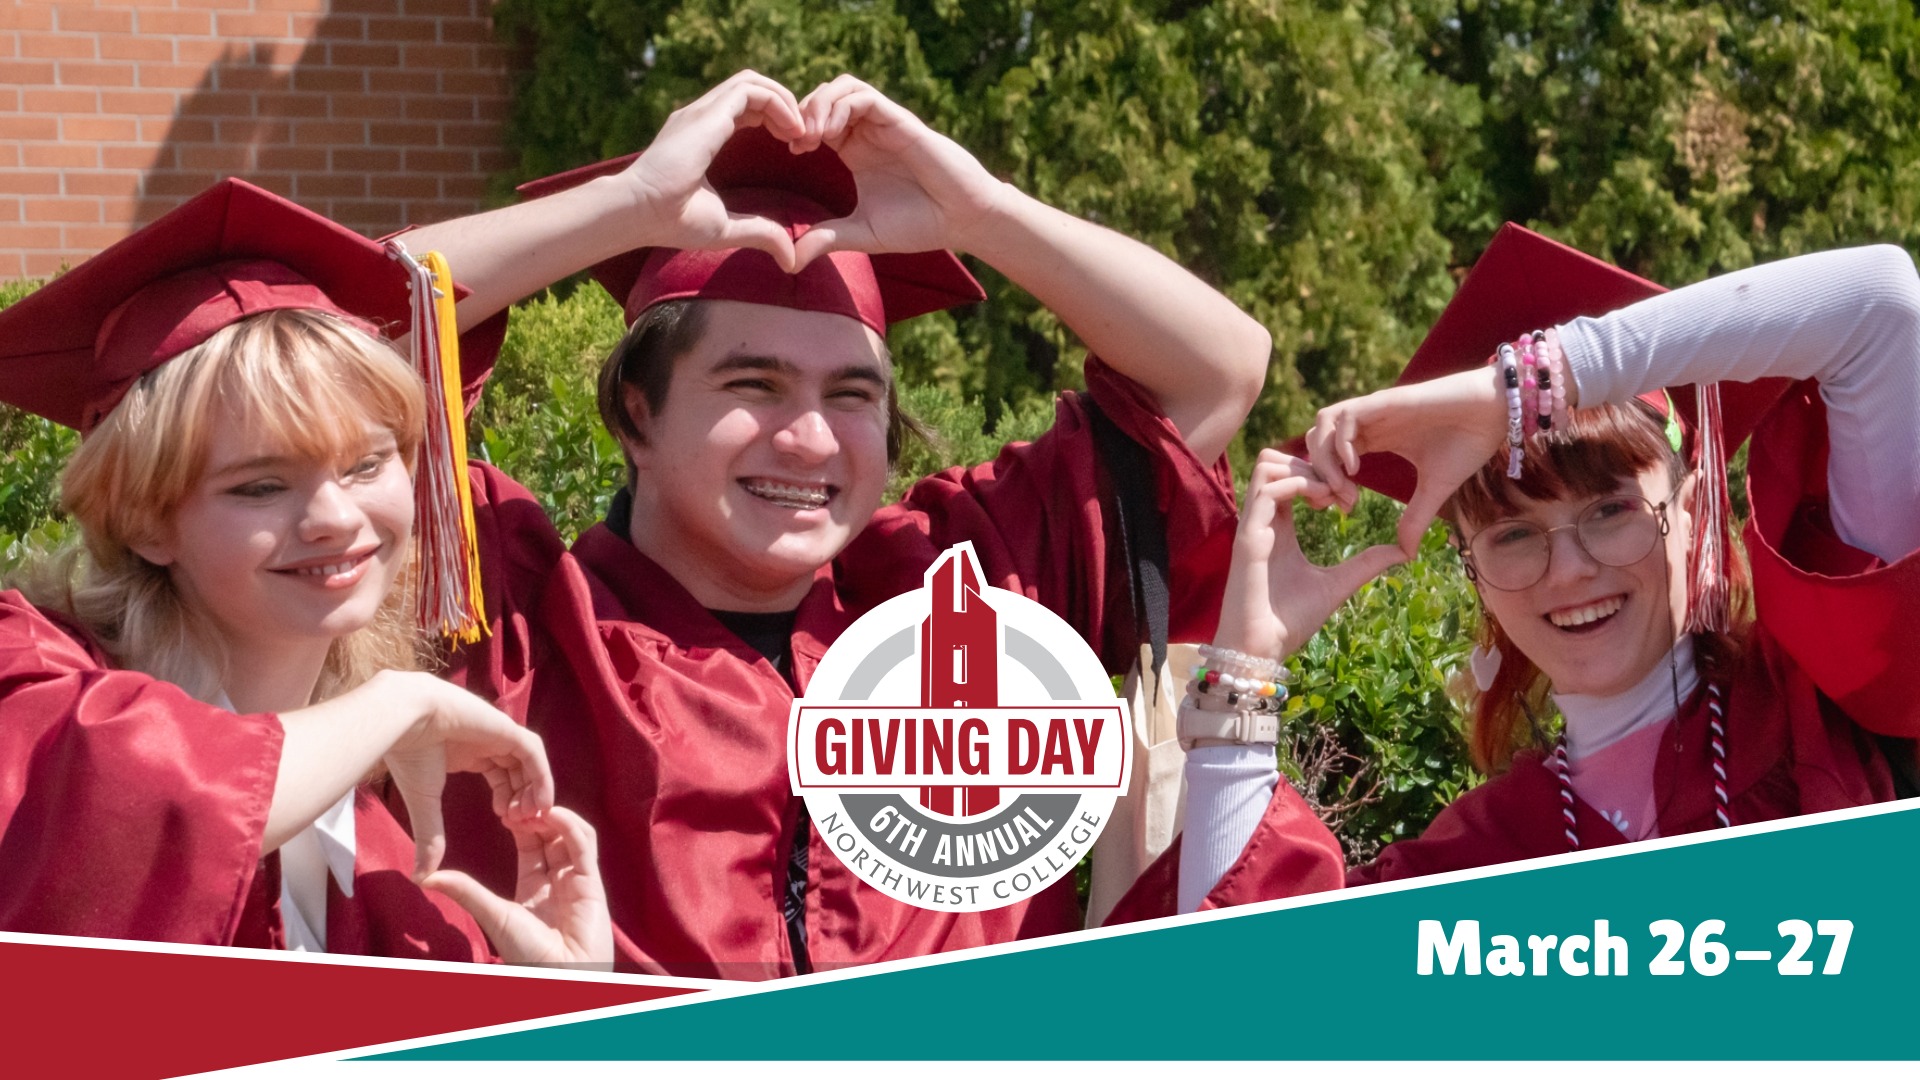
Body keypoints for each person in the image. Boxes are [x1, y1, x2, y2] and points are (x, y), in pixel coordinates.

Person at [399, 70, 1349, 977]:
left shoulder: (956, 584)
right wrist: (631, 203)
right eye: (753, 384)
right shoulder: (518, 625)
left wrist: (984, 214)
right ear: (636, 414)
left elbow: (1217, 371)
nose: (810, 439)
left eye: (851, 394)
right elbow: (324, 349)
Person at [1128, 223, 1920, 890]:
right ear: (1474, 571)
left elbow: (1880, 303)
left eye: (1610, 509)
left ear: (1696, 509)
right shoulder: (1474, 865)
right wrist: (1244, 668)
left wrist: (1527, 387)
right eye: (1512, 533)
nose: (1568, 569)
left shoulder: (1828, 708)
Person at [0, 179, 611, 965]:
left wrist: (549, 1004)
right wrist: (401, 703)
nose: (334, 517)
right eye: (260, 484)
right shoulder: (30, 683)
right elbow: (143, 807)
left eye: (367, 463)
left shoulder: (386, 866)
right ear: (144, 519)